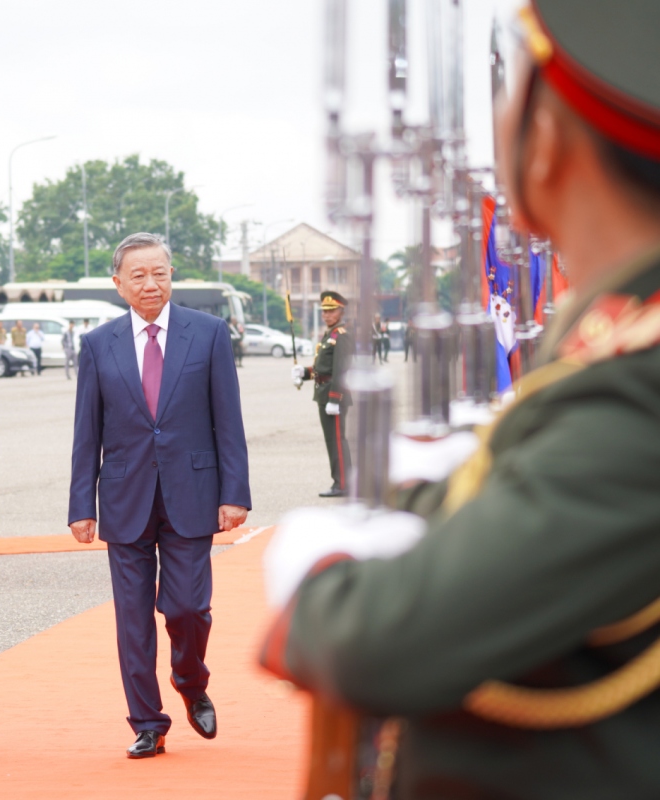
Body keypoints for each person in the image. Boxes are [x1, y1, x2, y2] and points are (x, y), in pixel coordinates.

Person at [261, 2, 660, 795]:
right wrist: (425, 498)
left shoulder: (633, 393)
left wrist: (323, 575)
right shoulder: (613, 348)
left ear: (545, 143)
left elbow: (380, 644)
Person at [68, 232, 251, 759]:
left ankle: (191, 681)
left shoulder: (209, 333)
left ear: (172, 276)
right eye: (139, 276)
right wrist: (82, 504)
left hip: (192, 493)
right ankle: (147, 720)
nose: (151, 284)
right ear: (118, 283)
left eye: (160, 273)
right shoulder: (98, 344)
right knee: (132, 619)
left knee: (189, 608)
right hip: (124, 498)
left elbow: (227, 422)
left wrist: (234, 493)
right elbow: (87, 432)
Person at [292, 291, 352, 497]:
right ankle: (341, 482)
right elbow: (323, 368)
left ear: (341, 311)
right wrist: (305, 372)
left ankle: (343, 484)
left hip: (333, 396)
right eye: (324, 312)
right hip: (323, 394)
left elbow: (341, 369)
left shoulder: (341, 335)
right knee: (332, 441)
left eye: (331, 311)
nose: (327, 315)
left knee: (337, 440)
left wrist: (335, 398)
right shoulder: (330, 334)